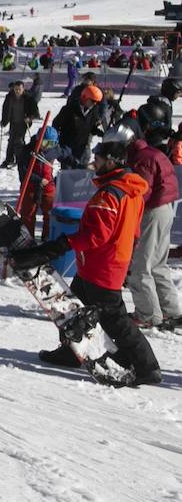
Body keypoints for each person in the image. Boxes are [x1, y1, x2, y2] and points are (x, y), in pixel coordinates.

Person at [10, 140, 161, 385]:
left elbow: (95, 235)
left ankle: (146, 366)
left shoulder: (110, 193)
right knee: (71, 308)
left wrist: (56, 247)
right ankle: (71, 352)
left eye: (99, 158)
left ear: (112, 161)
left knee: (114, 318)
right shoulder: (130, 190)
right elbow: (132, 230)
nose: (95, 162)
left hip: (102, 265)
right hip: (108, 261)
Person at [121, 123, 181, 329]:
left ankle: (147, 313)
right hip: (165, 209)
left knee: (140, 265)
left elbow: (141, 191)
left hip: (151, 212)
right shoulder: (151, 152)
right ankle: (171, 310)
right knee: (158, 264)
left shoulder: (141, 160)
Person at [0, 79, 36, 168]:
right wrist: (4, 121)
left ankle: (20, 160)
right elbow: (5, 109)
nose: (17, 91)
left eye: (19, 89)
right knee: (11, 141)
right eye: (16, 89)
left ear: (23, 89)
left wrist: (29, 118)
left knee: (18, 141)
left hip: (23, 123)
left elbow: (35, 112)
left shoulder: (28, 98)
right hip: (13, 122)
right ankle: (9, 160)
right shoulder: (9, 97)